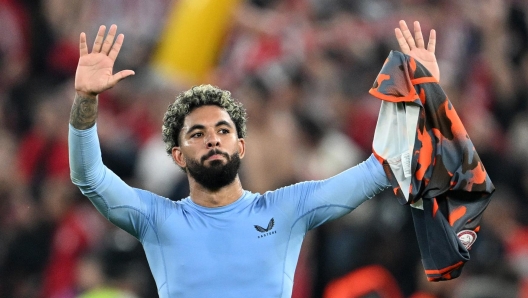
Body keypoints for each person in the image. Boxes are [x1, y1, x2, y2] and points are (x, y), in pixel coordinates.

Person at [69, 20, 438, 298]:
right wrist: (85, 100)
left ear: (241, 147)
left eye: (223, 130)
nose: (213, 138)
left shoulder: (289, 208)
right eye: (198, 133)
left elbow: (381, 167)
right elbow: (90, 177)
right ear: (178, 156)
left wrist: (426, 96)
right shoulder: (157, 219)